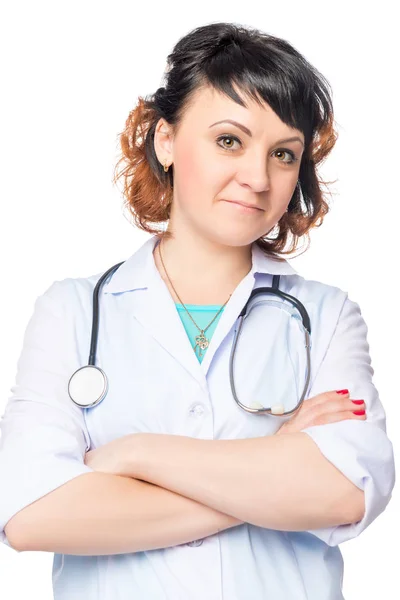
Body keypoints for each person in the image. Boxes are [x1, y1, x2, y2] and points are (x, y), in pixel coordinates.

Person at [0, 21, 395, 600]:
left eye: (283, 154)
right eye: (229, 140)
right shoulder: (72, 311)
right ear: (166, 140)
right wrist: (271, 471)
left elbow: (345, 495)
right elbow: (32, 514)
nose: (257, 178)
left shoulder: (328, 317)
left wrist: (136, 454)